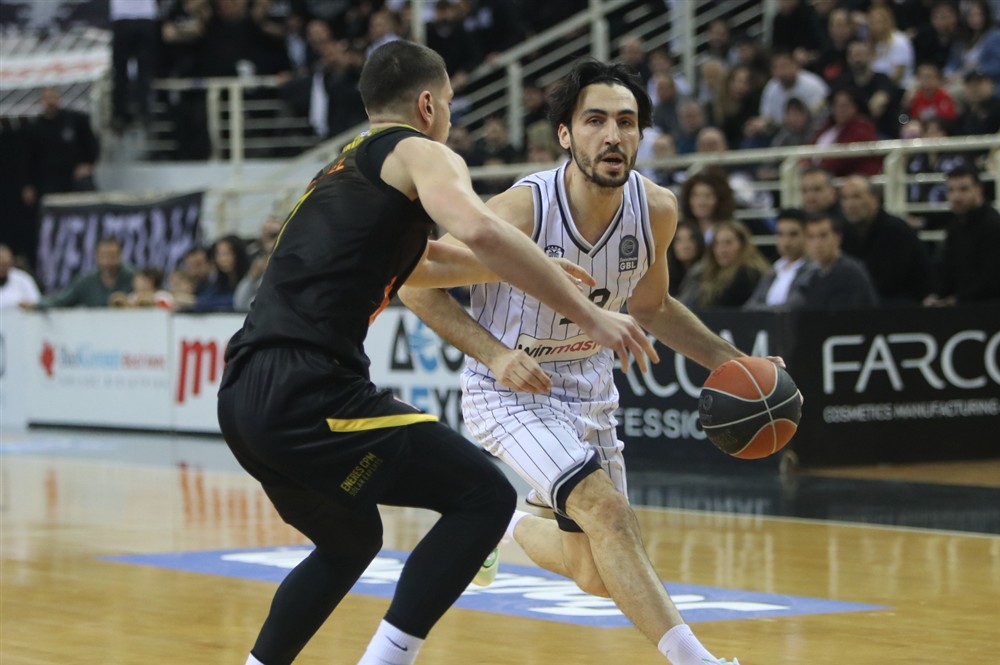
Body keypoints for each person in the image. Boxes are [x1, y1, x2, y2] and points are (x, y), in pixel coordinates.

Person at [216, 41, 657, 665]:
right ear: (428, 104)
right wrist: (589, 314)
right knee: (482, 495)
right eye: (448, 104)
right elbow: (480, 228)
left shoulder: (345, 171)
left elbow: (430, 262)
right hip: (308, 388)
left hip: (243, 396)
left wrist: (534, 266)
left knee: (350, 541)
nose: (448, 116)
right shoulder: (422, 151)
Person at [399, 59, 750, 665]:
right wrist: (496, 353)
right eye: (595, 121)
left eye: (626, 122)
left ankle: (504, 525)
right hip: (507, 388)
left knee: (595, 571)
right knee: (606, 510)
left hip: (590, 390)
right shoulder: (521, 210)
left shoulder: (657, 210)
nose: (612, 135)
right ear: (565, 134)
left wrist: (732, 362)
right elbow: (415, 286)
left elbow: (652, 305)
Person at [838, 176, 932, 305]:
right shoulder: (844, 233)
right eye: (845, 198)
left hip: (901, 304)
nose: (850, 204)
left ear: (874, 199)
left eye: (857, 197)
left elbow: (894, 282)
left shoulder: (896, 230)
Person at [923, 165, 1000, 305]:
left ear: (979, 189)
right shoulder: (955, 225)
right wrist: (938, 295)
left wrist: (956, 300)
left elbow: (992, 280)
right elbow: (948, 269)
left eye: (964, 189)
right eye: (951, 190)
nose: (956, 197)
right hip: (962, 305)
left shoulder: (993, 226)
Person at [789, 213, 879, 309]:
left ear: (838, 237)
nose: (817, 243)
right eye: (811, 237)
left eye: (823, 236)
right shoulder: (811, 276)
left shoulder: (850, 273)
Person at [678, 220, 771, 309]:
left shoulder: (749, 274)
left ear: (742, 245)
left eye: (728, 243)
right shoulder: (705, 274)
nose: (722, 250)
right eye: (717, 244)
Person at [23, 237, 134, 309]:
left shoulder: (133, 277)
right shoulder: (87, 281)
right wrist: (37, 305)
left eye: (113, 256)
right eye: (104, 256)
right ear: (97, 257)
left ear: (121, 256)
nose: (108, 261)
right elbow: (62, 301)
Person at [744, 208, 818, 310]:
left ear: (806, 235)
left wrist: (762, 311)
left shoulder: (814, 269)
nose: (786, 241)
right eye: (780, 234)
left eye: (793, 234)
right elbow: (750, 306)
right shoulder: (773, 269)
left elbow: (793, 307)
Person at [0, 243, 41, 309]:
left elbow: (36, 303)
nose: (1, 268)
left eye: (4, 265)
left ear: (11, 262)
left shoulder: (23, 279)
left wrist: (28, 305)